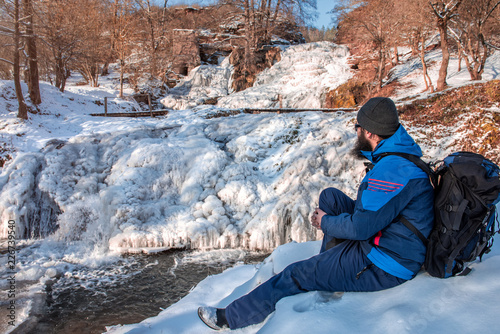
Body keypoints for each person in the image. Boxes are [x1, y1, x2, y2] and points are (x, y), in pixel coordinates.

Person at [198, 97, 435, 330]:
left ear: (371, 133)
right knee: (331, 197)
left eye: (358, 128)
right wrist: (332, 218)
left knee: (295, 273)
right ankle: (328, 268)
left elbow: (361, 229)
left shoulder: (391, 171)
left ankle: (230, 318)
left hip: (386, 262)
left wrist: (326, 222)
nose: (357, 133)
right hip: (392, 239)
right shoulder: (400, 157)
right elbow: (377, 212)